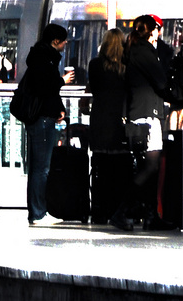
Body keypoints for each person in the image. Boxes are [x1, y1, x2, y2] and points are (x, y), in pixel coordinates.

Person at [17, 24, 73, 226]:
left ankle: (37, 210)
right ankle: (38, 212)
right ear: (55, 41)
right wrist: (62, 81)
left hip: (41, 118)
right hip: (41, 120)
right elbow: (46, 87)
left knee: (38, 167)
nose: (66, 43)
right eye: (64, 40)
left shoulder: (41, 57)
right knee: (41, 168)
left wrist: (57, 109)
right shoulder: (45, 60)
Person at [120, 15, 172, 229]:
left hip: (141, 113)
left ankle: (150, 215)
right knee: (150, 166)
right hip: (148, 115)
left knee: (148, 167)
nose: (159, 33)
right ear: (151, 31)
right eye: (157, 29)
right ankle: (123, 210)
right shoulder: (145, 52)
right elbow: (160, 81)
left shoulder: (134, 50)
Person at [86, 27, 130, 152]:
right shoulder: (126, 66)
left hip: (100, 112)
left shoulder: (95, 64)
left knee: (99, 151)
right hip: (120, 112)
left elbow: (94, 89)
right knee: (117, 151)